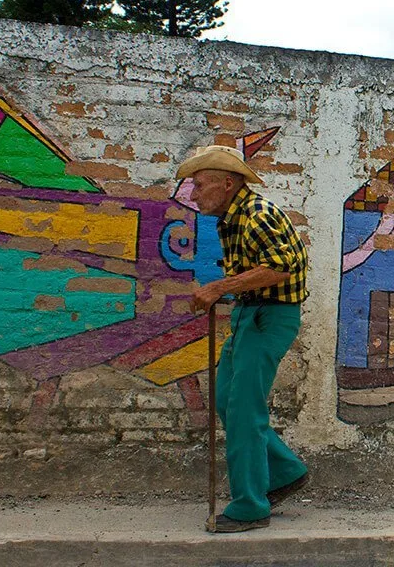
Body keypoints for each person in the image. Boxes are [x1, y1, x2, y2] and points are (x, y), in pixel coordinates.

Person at [176, 145, 310, 533]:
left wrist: (219, 286)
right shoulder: (230, 218)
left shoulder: (257, 216)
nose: (194, 194)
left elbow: (283, 266)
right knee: (226, 399)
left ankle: (250, 505)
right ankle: (285, 471)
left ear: (227, 183)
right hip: (250, 314)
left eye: (200, 186)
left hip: (271, 317)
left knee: (243, 410)